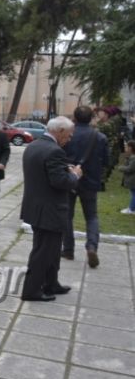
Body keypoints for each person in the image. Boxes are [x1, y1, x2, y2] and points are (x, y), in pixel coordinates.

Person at [21, 116, 82, 302]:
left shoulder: (35, 145)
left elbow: (44, 171)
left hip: (37, 207)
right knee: (43, 252)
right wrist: (75, 176)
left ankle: (51, 283)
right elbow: (60, 181)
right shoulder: (55, 151)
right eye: (69, 135)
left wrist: (65, 168)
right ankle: (31, 291)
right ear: (60, 131)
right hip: (49, 210)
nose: (69, 139)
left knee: (53, 250)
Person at [61, 106, 108, 267]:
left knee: (67, 216)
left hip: (69, 179)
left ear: (74, 117)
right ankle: (92, 247)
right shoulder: (100, 137)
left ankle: (68, 250)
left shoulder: (68, 135)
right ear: (91, 118)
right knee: (92, 217)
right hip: (91, 182)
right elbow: (106, 162)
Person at [119, 140, 135, 215]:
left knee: (134, 195)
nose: (126, 148)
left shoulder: (133, 158)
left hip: (133, 180)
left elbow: (130, 169)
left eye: (127, 147)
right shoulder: (131, 157)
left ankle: (131, 209)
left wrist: (121, 168)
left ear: (131, 148)